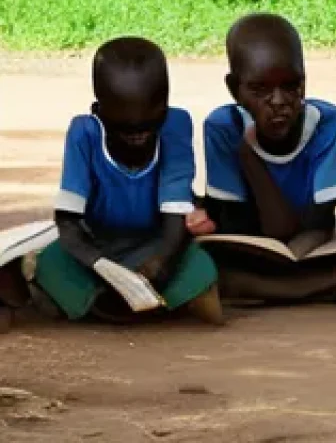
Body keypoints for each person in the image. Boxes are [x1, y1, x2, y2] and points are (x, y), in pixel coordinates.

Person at [189, 14, 336, 304]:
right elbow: (238, 228)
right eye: (260, 91)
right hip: (254, 247)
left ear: (304, 82)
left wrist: (290, 256)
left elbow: (319, 222)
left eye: (291, 86)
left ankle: (261, 290)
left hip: (309, 242)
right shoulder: (223, 128)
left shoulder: (322, 120)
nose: (279, 102)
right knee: (204, 259)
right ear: (234, 89)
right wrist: (248, 156)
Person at [32, 37, 221, 323]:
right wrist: (102, 266)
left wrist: (158, 265)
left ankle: (108, 309)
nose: (139, 136)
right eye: (124, 128)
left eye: (149, 124)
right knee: (51, 263)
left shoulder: (175, 127)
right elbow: (68, 224)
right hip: (97, 247)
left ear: (165, 109)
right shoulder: (84, 133)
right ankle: (124, 305)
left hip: (154, 245)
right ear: (98, 111)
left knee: (201, 264)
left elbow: (175, 219)